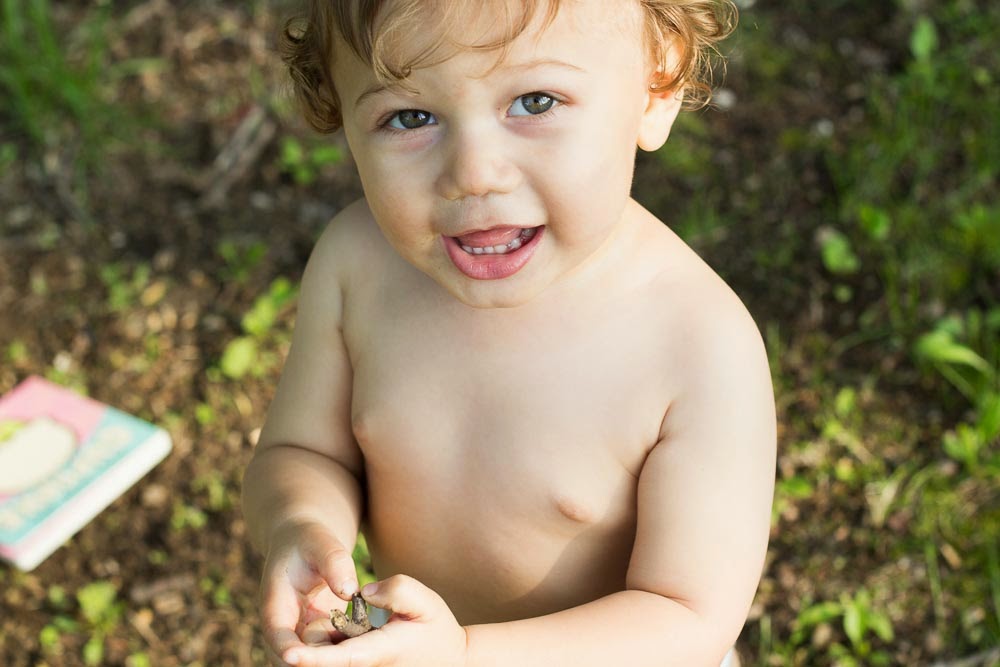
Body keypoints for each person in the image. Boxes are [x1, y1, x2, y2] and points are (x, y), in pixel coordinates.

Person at [241, 0, 776, 665]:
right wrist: (302, 524)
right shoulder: (359, 267)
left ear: (657, 83)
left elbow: (690, 617)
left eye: (536, 101)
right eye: (411, 116)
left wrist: (465, 653)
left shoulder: (696, 344)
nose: (473, 172)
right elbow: (300, 452)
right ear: (339, 108)